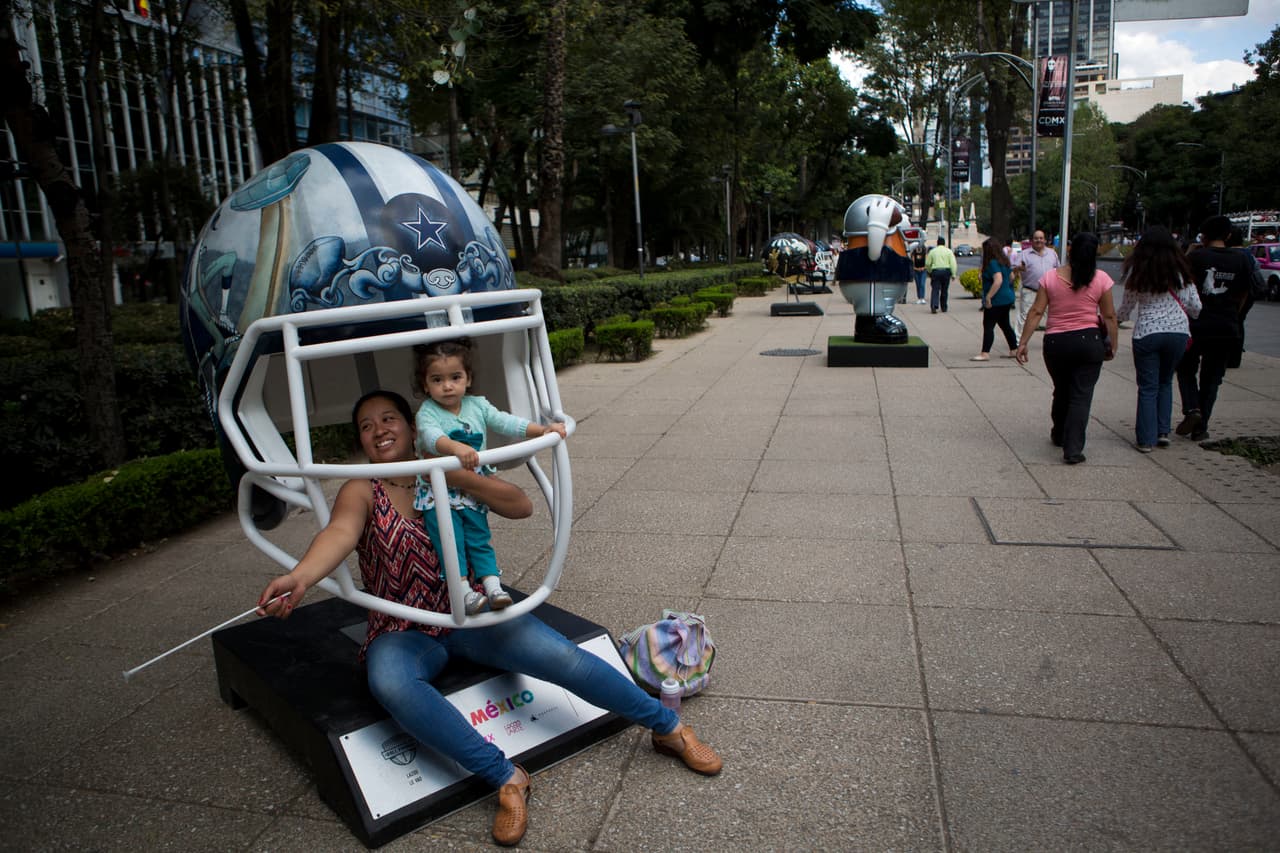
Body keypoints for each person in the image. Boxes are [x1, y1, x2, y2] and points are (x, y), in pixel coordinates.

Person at [258, 390, 722, 847]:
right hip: (402, 624)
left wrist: (453, 477)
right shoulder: (361, 488)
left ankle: (668, 728)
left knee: (560, 654)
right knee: (391, 684)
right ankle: (507, 778)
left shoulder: (445, 468)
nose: (378, 430)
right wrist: (300, 576)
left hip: (471, 609)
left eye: (388, 419)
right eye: (366, 425)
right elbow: (339, 533)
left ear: (412, 426)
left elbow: (520, 506)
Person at [413, 338, 567, 615]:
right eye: (437, 379)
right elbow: (431, 436)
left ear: (468, 379)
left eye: (455, 377)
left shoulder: (477, 405)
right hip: (438, 494)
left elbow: (506, 421)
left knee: (478, 537)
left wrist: (540, 430)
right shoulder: (427, 412)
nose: (447, 386)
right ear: (425, 384)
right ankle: (462, 592)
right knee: (451, 542)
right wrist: (454, 447)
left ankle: (493, 586)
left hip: (471, 492)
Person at [1015, 232, 1118, 464]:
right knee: (1081, 396)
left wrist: (1023, 343)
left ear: (1070, 251)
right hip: (1089, 342)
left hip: (1056, 344)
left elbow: (1036, 312)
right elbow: (1109, 315)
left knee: (1062, 389)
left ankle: (1059, 432)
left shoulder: (1051, 277)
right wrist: (1112, 343)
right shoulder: (1101, 279)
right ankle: (1072, 449)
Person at [1116, 226, 1202, 452]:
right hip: (1178, 334)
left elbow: (1125, 310)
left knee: (1147, 387)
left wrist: (1113, 322)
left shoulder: (1140, 274)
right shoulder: (1183, 275)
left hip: (1147, 332)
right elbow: (1196, 308)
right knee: (1165, 382)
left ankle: (1145, 439)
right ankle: (1163, 432)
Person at [1177, 215, 1252, 441]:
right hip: (1226, 325)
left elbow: (1180, 285)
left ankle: (1192, 408)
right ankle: (1202, 426)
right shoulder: (1242, 259)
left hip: (1196, 324)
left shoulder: (1196, 257)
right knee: (1212, 378)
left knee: (1186, 369)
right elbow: (1246, 292)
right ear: (1228, 235)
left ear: (1204, 235)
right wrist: (1233, 315)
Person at [971, 236, 1019, 361]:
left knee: (988, 325)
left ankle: (985, 353)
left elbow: (998, 280)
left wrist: (988, 296)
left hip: (996, 300)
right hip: (1007, 298)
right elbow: (1012, 277)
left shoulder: (992, 263)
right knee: (1005, 324)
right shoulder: (1004, 261)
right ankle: (1014, 349)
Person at [1225, 226, 1263, 368]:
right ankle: (1235, 358)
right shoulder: (1249, 254)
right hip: (1249, 294)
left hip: (1236, 294)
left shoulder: (1232, 254)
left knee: (1233, 324)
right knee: (1239, 323)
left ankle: (1230, 357)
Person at [1014, 230, 1059, 333]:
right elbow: (1014, 270)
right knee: (1024, 316)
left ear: (1045, 240)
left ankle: (1053, 339)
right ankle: (1018, 342)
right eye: (1036, 238)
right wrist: (1018, 269)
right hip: (1030, 291)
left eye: (1041, 238)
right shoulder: (1024, 254)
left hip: (1049, 292)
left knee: (1053, 317)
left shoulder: (1052, 254)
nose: (1039, 240)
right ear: (1031, 241)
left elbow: (1058, 270)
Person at [925, 236, 957, 314]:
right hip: (946, 271)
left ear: (937, 243)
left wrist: (930, 271)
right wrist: (953, 274)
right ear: (944, 243)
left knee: (935, 289)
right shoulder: (949, 251)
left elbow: (927, 263)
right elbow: (953, 263)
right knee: (944, 290)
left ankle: (934, 305)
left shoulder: (932, 251)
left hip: (936, 271)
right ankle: (944, 306)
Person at [910, 240, 928, 304]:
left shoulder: (924, 251)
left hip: (923, 270)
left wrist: (924, 267)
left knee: (922, 284)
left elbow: (927, 260)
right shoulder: (914, 252)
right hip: (916, 270)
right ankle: (919, 298)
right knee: (918, 284)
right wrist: (915, 268)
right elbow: (913, 261)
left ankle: (922, 298)